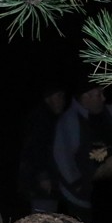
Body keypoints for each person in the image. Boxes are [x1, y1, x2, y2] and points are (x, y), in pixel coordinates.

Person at [53, 80, 112, 221]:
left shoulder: (104, 113)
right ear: (86, 97)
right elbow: (62, 156)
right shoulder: (70, 120)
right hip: (80, 198)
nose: (104, 98)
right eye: (99, 94)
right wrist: (77, 185)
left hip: (103, 192)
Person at [17, 84, 68, 214]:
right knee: (43, 219)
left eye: (63, 96)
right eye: (58, 96)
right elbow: (35, 149)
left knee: (50, 216)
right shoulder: (41, 119)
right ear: (48, 99)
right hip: (40, 182)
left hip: (50, 179)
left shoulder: (54, 118)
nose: (62, 100)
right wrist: (43, 176)